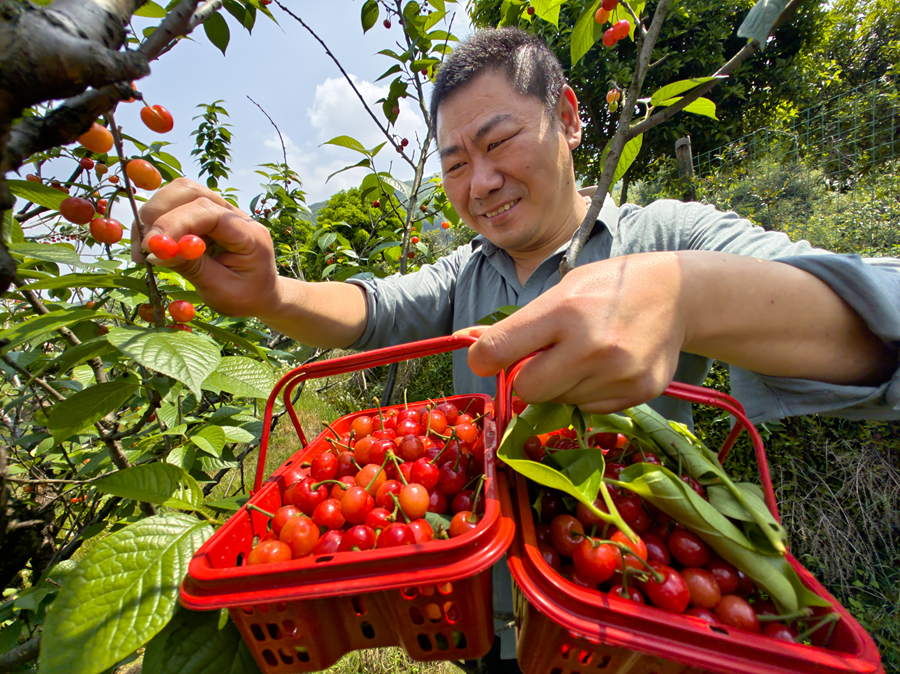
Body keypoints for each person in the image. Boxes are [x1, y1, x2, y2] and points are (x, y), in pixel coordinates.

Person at [132, 27, 899, 671]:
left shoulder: (669, 239)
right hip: (482, 622)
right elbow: (369, 311)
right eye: (456, 164)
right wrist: (272, 295)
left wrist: (686, 294)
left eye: (499, 142)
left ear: (567, 117)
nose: (483, 183)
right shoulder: (464, 273)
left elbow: (876, 305)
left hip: (626, 627)